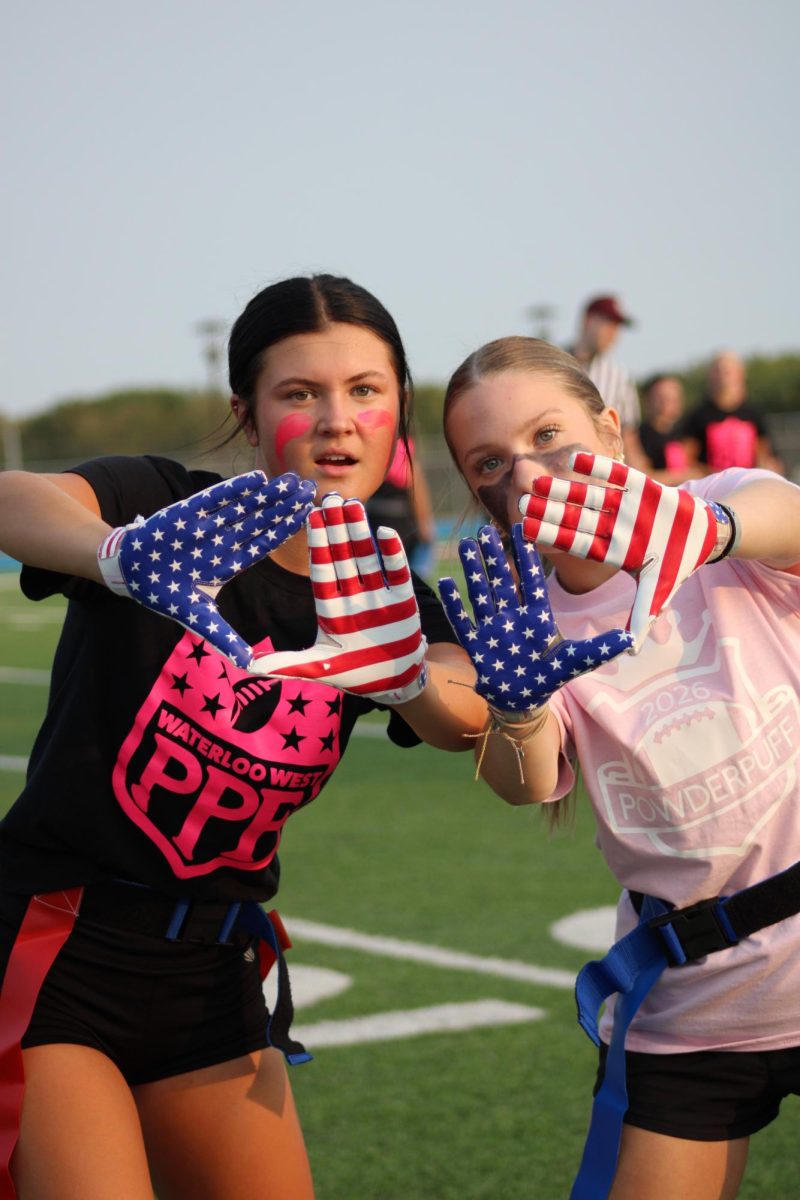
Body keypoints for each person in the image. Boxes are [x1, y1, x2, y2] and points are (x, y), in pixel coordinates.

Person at [0, 274, 486, 1200]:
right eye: (300, 393)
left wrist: (410, 681)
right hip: (61, 946)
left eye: (365, 390)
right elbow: (13, 498)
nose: (338, 420)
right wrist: (116, 556)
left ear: (400, 411)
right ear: (249, 415)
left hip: (214, 967)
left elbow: (466, 716)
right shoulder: (167, 509)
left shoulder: (385, 595)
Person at [438, 335, 800, 1200]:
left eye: (548, 434)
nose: (525, 470)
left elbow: (783, 516)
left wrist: (708, 529)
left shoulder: (712, 513)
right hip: (692, 1001)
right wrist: (517, 704)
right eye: (491, 460)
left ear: (608, 430)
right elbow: (522, 781)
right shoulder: (521, 616)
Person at [569, 294, 648, 471]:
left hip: (601, 472)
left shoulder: (619, 376)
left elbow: (628, 437)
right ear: (588, 321)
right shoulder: (551, 364)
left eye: (617, 328)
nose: (614, 334)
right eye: (609, 325)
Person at [681, 350, 784, 474]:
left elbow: (766, 454)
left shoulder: (753, 413)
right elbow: (685, 459)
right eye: (718, 371)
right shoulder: (698, 415)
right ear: (710, 376)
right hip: (712, 486)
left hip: (747, 485)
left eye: (728, 372)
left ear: (740, 374)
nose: (723, 377)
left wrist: (766, 470)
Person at [366, 435, 438, 578]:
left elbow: (416, 487)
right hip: (394, 525)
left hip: (386, 524)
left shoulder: (389, 448)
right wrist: (425, 523)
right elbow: (417, 487)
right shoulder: (397, 448)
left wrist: (424, 522)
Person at [638, 373, 701, 484]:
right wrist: (683, 476)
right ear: (648, 401)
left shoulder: (687, 431)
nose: (666, 404)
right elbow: (642, 477)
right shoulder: (638, 436)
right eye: (661, 398)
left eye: (673, 399)